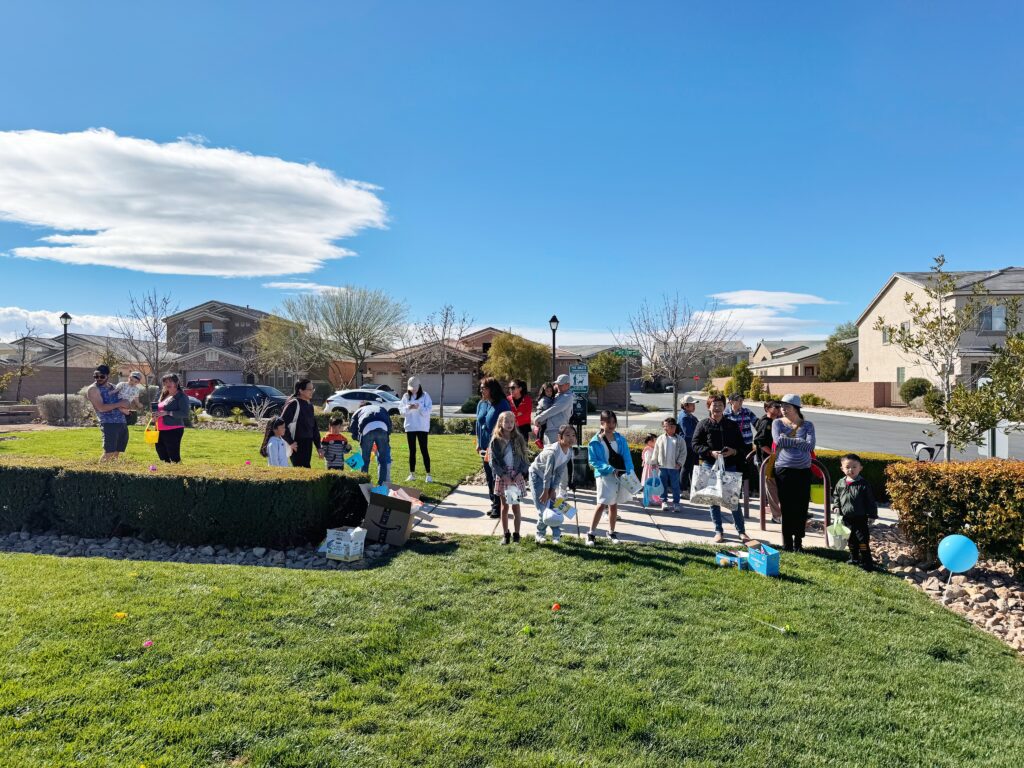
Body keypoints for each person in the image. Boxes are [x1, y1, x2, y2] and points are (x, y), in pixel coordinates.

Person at [692, 394, 750, 543]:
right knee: (713, 500)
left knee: (733, 500)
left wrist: (734, 451)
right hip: (709, 465)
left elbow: (742, 446)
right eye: (714, 405)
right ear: (709, 407)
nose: (717, 408)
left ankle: (741, 532)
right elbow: (695, 444)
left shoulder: (732, 425)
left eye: (720, 405)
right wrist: (710, 452)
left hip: (729, 465)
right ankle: (718, 531)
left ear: (724, 407)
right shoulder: (703, 424)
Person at [772, 394, 817, 552]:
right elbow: (779, 441)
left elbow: (810, 446)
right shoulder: (777, 423)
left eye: (787, 407)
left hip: (803, 470)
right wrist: (800, 442)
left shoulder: (807, 425)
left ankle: (798, 542)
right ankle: (787, 542)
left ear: (796, 408)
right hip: (784, 470)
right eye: (782, 406)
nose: (783, 409)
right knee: (787, 506)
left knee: (801, 506)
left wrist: (791, 441)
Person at [587, 410, 633, 546]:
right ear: (602, 423)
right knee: (601, 504)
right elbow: (593, 461)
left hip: (619, 475)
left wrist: (629, 471)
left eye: (613, 422)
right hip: (604, 475)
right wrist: (610, 469)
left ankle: (611, 531)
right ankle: (591, 533)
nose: (611, 425)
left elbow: (627, 456)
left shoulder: (620, 438)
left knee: (613, 504)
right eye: (608, 422)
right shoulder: (595, 441)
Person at [530, 423, 577, 544]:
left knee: (554, 505)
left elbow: (559, 472)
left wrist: (553, 490)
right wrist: (546, 491)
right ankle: (540, 534)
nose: (571, 438)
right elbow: (547, 473)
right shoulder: (552, 452)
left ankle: (556, 535)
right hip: (537, 476)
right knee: (543, 508)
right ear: (559, 437)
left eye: (573, 435)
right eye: (567, 435)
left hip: (549, 477)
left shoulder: (569, 451)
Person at [489, 411, 530, 545]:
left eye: (512, 422)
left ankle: (516, 535)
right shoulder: (496, 441)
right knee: (504, 507)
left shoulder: (518, 439)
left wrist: (521, 473)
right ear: (500, 422)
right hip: (504, 478)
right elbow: (493, 462)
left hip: (515, 477)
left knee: (516, 507)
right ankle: (505, 534)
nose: (509, 424)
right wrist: (503, 475)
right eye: (506, 421)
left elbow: (525, 458)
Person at [832, 453, 878, 570]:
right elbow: (836, 496)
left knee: (862, 539)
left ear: (860, 468)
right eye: (847, 467)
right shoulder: (841, 483)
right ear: (842, 468)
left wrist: (872, 515)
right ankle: (854, 558)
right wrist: (836, 506)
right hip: (846, 518)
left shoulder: (863, 484)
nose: (851, 469)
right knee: (851, 539)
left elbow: (870, 501)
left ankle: (867, 561)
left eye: (854, 467)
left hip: (860, 517)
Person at [475, 377, 512, 518]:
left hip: (498, 447)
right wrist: (478, 442)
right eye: (481, 388)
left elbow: (508, 425)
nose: (481, 390)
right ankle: (494, 503)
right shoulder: (481, 404)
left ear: (492, 389)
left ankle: (499, 506)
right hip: (484, 446)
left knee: (497, 476)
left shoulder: (502, 404)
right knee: (489, 477)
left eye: (484, 387)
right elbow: (478, 424)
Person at [86, 364, 131, 461]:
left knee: (116, 452)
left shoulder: (114, 387)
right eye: (96, 376)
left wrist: (126, 403)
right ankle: (100, 473)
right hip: (108, 423)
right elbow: (101, 408)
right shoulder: (93, 389)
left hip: (122, 422)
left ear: (107, 376)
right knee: (109, 452)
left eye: (101, 376)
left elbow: (126, 402)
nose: (98, 379)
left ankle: (112, 473)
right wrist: (119, 404)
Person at [281, 379, 324, 469]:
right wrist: (291, 442)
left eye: (313, 389)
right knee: (300, 470)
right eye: (309, 389)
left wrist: (318, 446)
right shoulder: (293, 404)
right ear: (300, 390)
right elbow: (281, 424)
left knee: (306, 468)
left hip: (308, 442)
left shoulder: (309, 405)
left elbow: (314, 427)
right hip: (297, 443)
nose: (312, 391)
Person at [753, 400, 783, 522]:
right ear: (767, 408)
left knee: (778, 487)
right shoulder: (766, 422)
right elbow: (759, 441)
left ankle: (779, 513)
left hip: (774, 460)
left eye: (779, 407)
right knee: (772, 488)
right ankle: (776, 516)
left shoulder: (776, 421)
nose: (778, 409)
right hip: (767, 461)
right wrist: (772, 453)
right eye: (775, 407)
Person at [351, 399, 393, 486]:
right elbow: (389, 423)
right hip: (383, 429)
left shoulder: (359, 410)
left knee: (365, 460)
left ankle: (364, 484)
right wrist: (387, 434)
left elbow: (352, 427)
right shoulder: (381, 408)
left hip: (367, 430)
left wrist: (357, 437)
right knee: (383, 460)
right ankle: (382, 485)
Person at [400, 376, 433, 483]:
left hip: (422, 427)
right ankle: (412, 474)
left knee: (424, 450)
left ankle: (428, 475)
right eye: (411, 387)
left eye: (415, 387)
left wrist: (419, 407)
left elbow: (428, 411)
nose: (413, 389)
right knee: (412, 451)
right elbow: (401, 411)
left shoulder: (425, 396)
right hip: (410, 427)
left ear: (419, 386)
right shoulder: (406, 396)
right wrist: (409, 408)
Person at [153, 373, 190, 463]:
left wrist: (167, 413)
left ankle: (179, 474)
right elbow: (160, 410)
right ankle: (167, 474)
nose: (167, 384)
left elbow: (184, 413)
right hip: (159, 428)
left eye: (170, 381)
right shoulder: (164, 395)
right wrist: (155, 416)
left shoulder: (181, 396)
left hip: (173, 429)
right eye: (165, 382)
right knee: (162, 454)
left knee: (174, 456)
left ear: (176, 382)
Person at [725, 393, 758, 487]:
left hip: (746, 445)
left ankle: (749, 490)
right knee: (734, 468)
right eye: (738, 400)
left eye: (741, 400)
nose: (740, 402)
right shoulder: (726, 414)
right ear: (731, 401)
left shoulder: (747, 411)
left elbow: (757, 424)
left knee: (748, 468)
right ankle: (735, 490)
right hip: (733, 446)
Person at [654, 417, 686, 512]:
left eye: (671, 426)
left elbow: (683, 453)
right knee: (663, 485)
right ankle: (664, 501)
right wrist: (654, 462)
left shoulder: (680, 440)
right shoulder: (660, 438)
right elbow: (656, 451)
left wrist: (679, 463)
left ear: (675, 427)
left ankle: (676, 503)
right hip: (662, 467)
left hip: (674, 467)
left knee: (675, 486)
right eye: (666, 426)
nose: (668, 428)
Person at [534, 374, 574, 445]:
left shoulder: (567, 397)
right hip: (550, 430)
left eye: (560, 385)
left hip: (557, 431)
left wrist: (538, 418)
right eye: (557, 384)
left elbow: (553, 409)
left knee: (554, 454)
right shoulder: (557, 395)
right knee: (548, 453)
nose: (558, 386)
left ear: (567, 385)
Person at [678, 395, 700, 496]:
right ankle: (683, 490)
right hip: (687, 446)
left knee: (694, 468)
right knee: (686, 467)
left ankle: (693, 489)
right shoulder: (684, 417)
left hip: (693, 446)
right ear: (685, 406)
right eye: (692, 404)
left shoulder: (690, 416)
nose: (694, 406)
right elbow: (688, 433)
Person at [533, 382, 556, 447]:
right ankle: (539, 439)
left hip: (543, 416)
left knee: (542, 428)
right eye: (547, 391)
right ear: (544, 392)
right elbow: (546, 408)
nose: (549, 393)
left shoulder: (549, 398)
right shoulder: (544, 399)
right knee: (543, 427)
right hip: (541, 416)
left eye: (550, 391)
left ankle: (539, 439)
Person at [640, 433, 659, 508]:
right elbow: (648, 460)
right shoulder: (648, 450)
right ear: (649, 442)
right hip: (650, 470)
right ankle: (649, 499)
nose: (656, 442)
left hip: (653, 469)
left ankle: (652, 499)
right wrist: (655, 462)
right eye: (654, 440)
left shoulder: (652, 449)